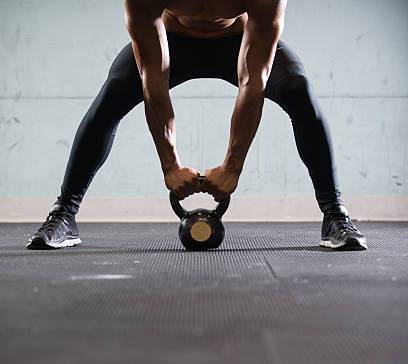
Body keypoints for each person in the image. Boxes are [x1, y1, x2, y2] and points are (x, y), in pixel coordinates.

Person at [27, 0, 367, 251]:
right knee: (115, 92)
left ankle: (334, 214)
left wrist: (233, 167)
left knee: (297, 88)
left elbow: (254, 82)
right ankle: (64, 215)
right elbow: (153, 82)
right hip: (173, 39)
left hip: (238, 39)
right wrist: (170, 165)